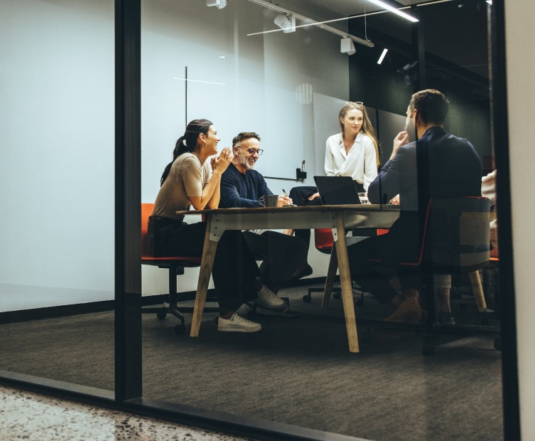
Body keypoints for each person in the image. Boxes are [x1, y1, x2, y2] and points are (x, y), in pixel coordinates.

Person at [348, 89, 483, 323]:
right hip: (463, 242)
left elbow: (376, 195)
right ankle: (411, 302)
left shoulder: (412, 152)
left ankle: (405, 307)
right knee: (406, 233)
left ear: (416, 115)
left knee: (351, 256)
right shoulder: (468, 149)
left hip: (421, 245)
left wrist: (394, 154)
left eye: (407, 114)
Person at [149, 120, 284, 333]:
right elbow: (200, 205)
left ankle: (239, 304)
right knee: (221, 236)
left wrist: (216, 173)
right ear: (202, 138)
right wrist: (219, 173)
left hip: (173, 230)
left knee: (224, 234)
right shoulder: (189, 161)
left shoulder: (201, 164)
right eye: (215, 133)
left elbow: (211, 206)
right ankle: (247, 297)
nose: (219, 138)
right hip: (163, 235)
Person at [218, 131, 312, 315]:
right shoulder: (226, 174)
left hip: (253, 232)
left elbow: (270, 200)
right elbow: (233, 202)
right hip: (231, 234)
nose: (255, 155)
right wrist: (268, 202)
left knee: (298, 245)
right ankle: (260, 294)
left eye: (258, 152)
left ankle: (268, 293)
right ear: (236, 151)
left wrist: (283, 203)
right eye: (251, 151)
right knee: (276, 249)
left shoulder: (256, 176)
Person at [290, 101, 382, 245]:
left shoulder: (367, 142)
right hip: (334, 186)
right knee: (297, 192)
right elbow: (330, 172)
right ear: (342, 119)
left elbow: (370, 177)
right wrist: (325, 191)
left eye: (360, 119)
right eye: (352, 118)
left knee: (310, 204)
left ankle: (291, 232)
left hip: (355, 189)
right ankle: (300, 251)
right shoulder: (332, 141)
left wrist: (368, 201)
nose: (356, 123)